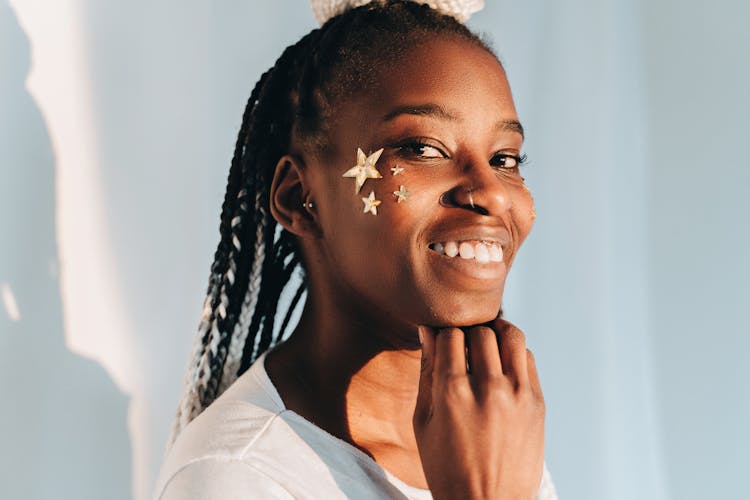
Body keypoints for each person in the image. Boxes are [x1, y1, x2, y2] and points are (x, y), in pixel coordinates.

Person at [155, 1, 558, 498]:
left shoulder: (492, 427)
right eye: (423, 148)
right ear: (299, 197)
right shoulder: (239, 477)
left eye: (505, 158)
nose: (492, 192)